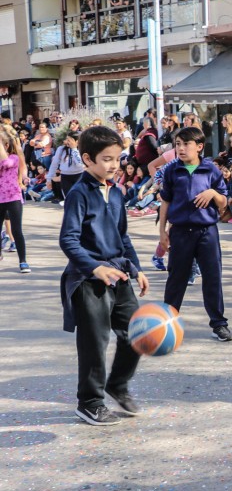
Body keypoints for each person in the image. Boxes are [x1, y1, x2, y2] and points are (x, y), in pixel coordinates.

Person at [59, 126, 149, 425]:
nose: (114, 165)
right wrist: (94, 267)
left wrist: (136, 269)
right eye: (107, 159)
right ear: (87, 159)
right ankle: (89, 402)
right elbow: (68, 240)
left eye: (117, 158)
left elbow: (123, 237)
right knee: (94, 343)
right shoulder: (78, 194)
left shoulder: (118, 192)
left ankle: (118, 384)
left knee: (137, 332)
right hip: (89, 281)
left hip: (119, 275)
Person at [158, 126, 232, 342]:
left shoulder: (210, 170)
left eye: (185, 144)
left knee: (212, 277)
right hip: (180, 231)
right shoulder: (172, 170)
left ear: (199, 147)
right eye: (177, 144)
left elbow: (224, 201)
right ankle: (167, 323)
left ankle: (219, 324)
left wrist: (213, 193)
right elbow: (166, 201)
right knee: (176, 279)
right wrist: (162, 231)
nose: (180, 149)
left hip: (206, 231)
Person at [0, 126, 28, 272]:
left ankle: (23, 261)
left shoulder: (13, 158)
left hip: (13, 197)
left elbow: (6, 164)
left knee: (17, 230)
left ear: (5, 145)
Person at [46, 130, 84, 198]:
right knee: (68, 198)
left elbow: (80, 164)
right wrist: (49, 179)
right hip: (65, 177)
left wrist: (74, 149)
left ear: (77, 141)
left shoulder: (81, 150)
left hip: (78, 176)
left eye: (69, 140)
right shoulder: (61, 149)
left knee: (78, 197)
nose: (66, 141)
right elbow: (54, 164)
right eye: (66, 139)